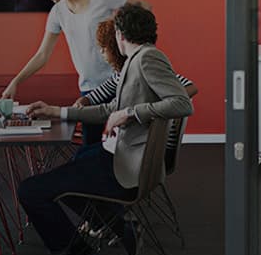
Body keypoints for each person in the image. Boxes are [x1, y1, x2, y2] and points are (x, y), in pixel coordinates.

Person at [19, 4, 192, 255]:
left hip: (125, 166)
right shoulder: (138, 59)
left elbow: (182, 103)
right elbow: (108, 109)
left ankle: (80, 253)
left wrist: (129, 113)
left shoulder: (147, 59)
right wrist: (57, 111)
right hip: (118, 154)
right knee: (77, 161)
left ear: (121, 34)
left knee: (31, 190)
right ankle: (119, 226)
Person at [0, 0, 149, 146]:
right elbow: (42, 55)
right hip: (89, 88)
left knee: (126, 143)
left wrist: (125, 36)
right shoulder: (58, 12)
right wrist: (16, 82)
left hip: (119, 82)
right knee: (90, 145)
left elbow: (144, 7)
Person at [69, 18, 197, 161]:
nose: (101, 51)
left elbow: (190, 87)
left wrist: (152, 102)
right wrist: (83, 100)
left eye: (104, 47)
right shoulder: (121, 74)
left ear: (116, 45)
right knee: (83, 154)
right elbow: (96, 95)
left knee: (83, 158)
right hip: (140, 142)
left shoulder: (145, 66)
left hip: (154, 145)